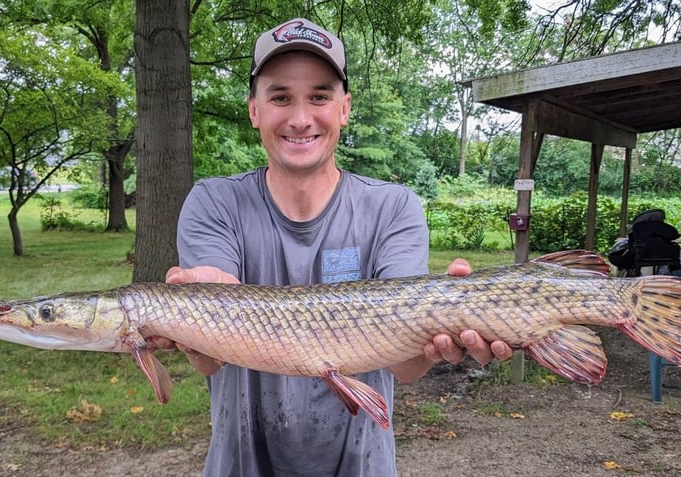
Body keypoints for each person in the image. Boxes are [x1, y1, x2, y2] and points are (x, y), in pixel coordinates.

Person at [165, 18, 513, 477]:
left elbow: (405, 369)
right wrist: (198, 318)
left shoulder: (393, 206)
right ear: (254, 110)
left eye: (320, 96)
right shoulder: (215, 202)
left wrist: (440, 335)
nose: (300, 118)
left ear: (345, 108)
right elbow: (211, 360)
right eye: (280, 97)